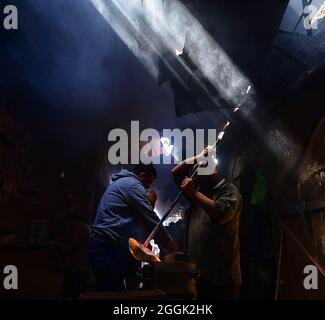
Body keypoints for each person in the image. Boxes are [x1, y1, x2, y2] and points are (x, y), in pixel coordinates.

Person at [89, 163, 176, 291]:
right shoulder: (133, 185)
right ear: (142, 175)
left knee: (112, 289)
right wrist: (168, 243)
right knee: (110, 292)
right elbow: (149, 216)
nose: (147, 187)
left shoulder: (122, 184)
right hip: (107, 245)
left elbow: (135, 223)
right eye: (148, 182)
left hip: (106, 243)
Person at [172, 147, 242, 300]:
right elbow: (176, 172)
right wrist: (197, 157)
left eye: (203, 166)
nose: (197, 170)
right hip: (198, 274)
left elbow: (221, 212)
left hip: (221, 276)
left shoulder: (228, 190)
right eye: (196, 168)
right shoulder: (197, 192)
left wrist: (194, 193)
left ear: (215, 169)